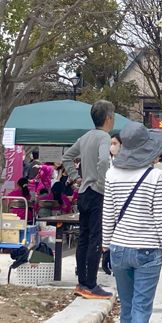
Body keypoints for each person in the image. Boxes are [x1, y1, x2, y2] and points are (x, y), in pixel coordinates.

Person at [101, 121, 162, 323]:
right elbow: (160, 218)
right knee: (142, 309)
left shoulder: (112, 175)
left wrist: (105, 248)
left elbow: (108, 215)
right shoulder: (154, 176)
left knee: (128, 309)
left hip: (119, 247)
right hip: (148, 250)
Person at [60, 100, 115, 300]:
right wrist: (103, 181)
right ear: (108, 118)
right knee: (96, 238)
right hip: (97, 192)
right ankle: (91, 284)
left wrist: (75, 176)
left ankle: (82, 281)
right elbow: (102, 160)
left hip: (83, 192)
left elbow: (67, 156)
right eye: (113, 117)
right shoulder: (104, 137)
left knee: (83, 238)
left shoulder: (85, 137)